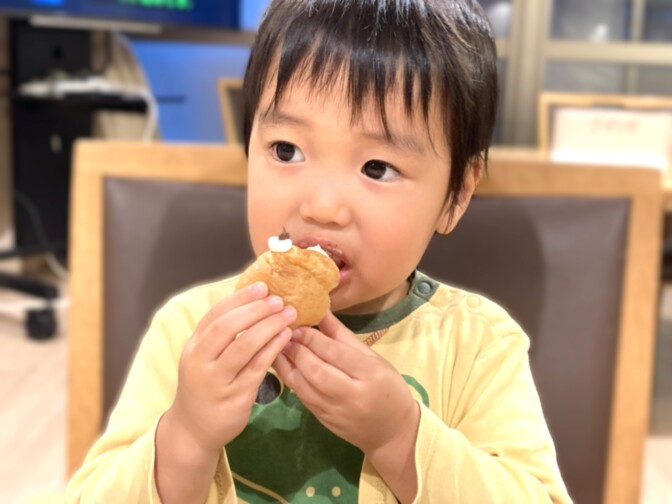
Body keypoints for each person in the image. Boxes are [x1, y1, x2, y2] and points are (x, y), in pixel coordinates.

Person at [65, 0, 572, 502]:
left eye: (377, 168)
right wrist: (186, 435)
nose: (322, 206)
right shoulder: (192, 330)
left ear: (456, 194)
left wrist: (400, 436)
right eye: (286, 150)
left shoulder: (477, 346)